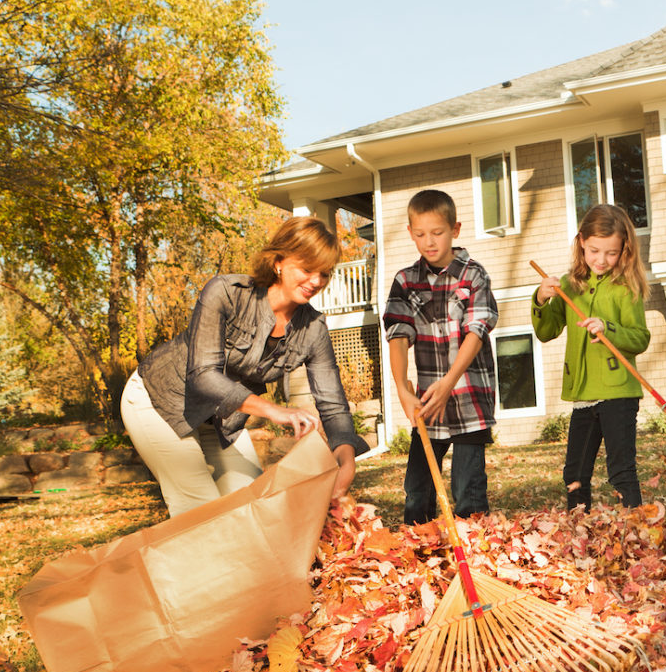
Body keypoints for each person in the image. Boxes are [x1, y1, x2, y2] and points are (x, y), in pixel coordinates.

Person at [121, 216, 367, 518]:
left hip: (220, 420)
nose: (316, 282)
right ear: (278, 262)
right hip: (162, 402)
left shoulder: (313, 328)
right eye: (307, 269)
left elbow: (333, 406)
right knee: (201, 514)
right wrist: (274, 411)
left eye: (324, 274)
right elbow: (203, 376)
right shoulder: (227, 293)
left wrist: (346, 457)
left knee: (255, 510)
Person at [383, 189, 499, 525]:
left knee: (467, 490)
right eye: (420, 234)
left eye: (437, 232)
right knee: (417, 492)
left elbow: (476, 331)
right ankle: (419, 549)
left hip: (469, 399)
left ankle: (474, 549)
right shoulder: (405, 281)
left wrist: (449, 382)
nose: (429, 242)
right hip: (428, 403)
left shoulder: (473, 275)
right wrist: (402, 389)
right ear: (410, 233)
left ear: (455, 229)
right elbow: (398, 334)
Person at [532, 204, 651, 510]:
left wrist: (609, 329)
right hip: (583, 393)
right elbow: (546, 331)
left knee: (621, 470)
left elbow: (640, 338)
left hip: (618, 393)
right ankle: (577, 526)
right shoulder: (569, 286)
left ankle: (635, 524)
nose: (601, 260)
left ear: (624, 250)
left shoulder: (625, 288)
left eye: (611, 253)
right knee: (574, 473)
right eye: (595, 251)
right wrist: (541, 299)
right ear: (582, 242)